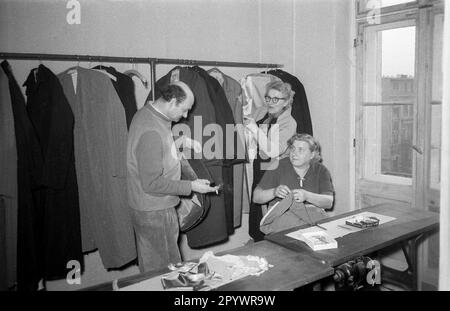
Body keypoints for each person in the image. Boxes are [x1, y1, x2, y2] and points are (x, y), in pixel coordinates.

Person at [126, 81, 218, 273]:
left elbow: (155, 153)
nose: (185, 116)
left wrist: (180, 142)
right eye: (184, 110)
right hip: (155, 211)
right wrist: (191, 186)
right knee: (163, 270)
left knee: (165, 266)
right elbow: (151, 183)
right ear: (173, 101)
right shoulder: (151, 130)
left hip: (150, 207)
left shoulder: (148, 113)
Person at [244, 80, 297, 241]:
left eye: (276, 99)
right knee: (256, 218)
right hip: (260, 168)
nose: (270, 102)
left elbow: (274, 150)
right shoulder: (261, 111)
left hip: (276, 174)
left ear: (286, 101)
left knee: (271, 220)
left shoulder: (289, 123)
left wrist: (253, 129)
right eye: (268, 98)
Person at [253, 133, 334, 232]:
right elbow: (256, 197)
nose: (294, 153)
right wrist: (274, 192)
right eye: (293, 149)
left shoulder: (320, 170)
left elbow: (328, 202)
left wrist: (307, 196)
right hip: (283, 224)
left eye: (301, 150)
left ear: (312, 154)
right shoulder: (278, 166)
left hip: (312, 224)